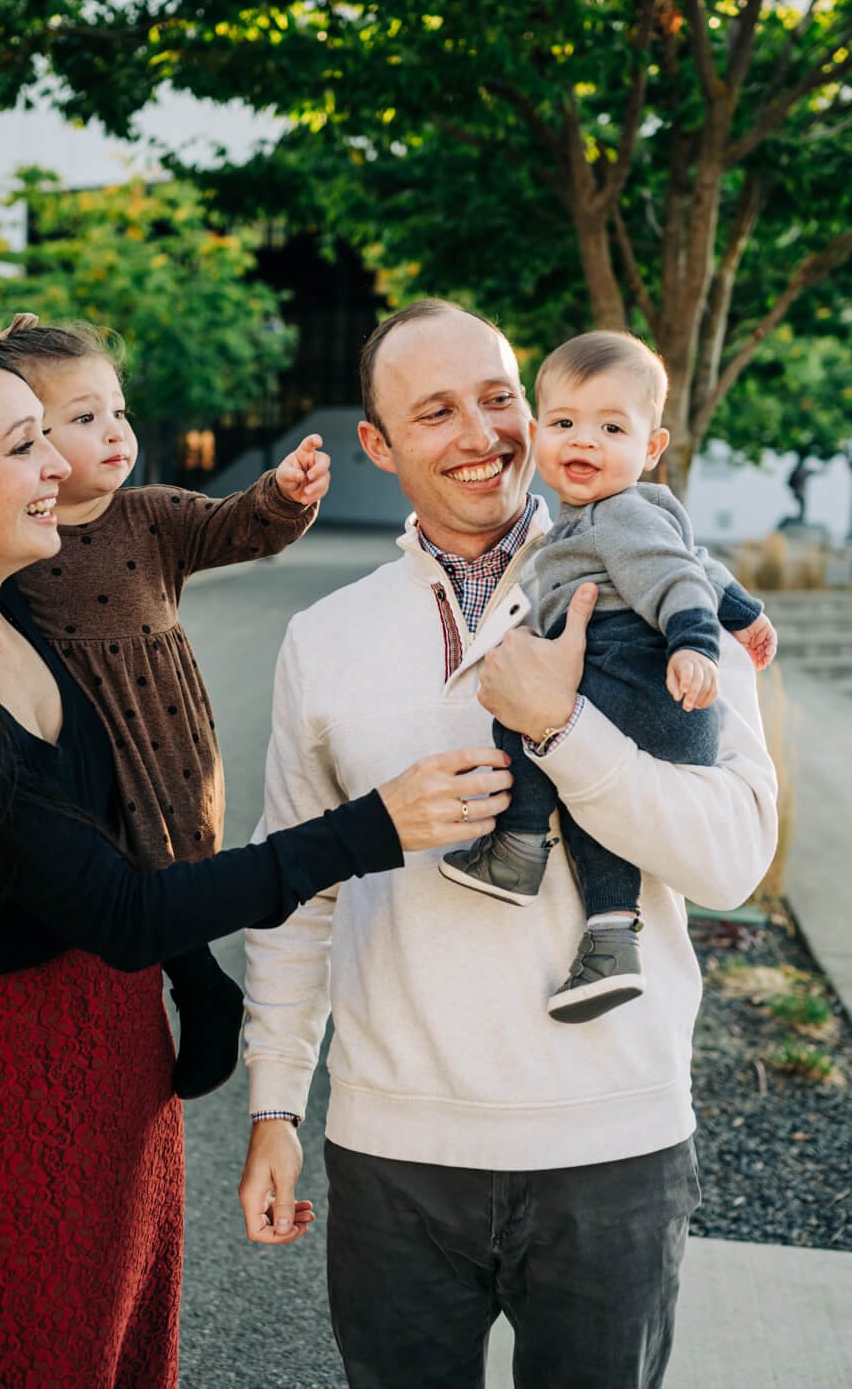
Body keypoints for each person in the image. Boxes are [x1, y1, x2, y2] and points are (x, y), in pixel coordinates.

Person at [0, 336, 513, 1389]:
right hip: (7, 1077)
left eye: (56, 435)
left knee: (115, 1334)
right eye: (26, 444)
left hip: (117, 1043)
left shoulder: (17, 614)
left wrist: (196, 983)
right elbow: (120, 905)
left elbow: (127, 839)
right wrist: (371, 827)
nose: (62, 465)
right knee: (19, 1344)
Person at [239, 300, 777, 1389]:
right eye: (436, 411)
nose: (482, 433)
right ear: (379, 446)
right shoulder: (328, 637)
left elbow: (732, 863)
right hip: (396, 1148)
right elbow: (300, 891)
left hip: (612, 1141)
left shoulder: (672, 578)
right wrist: (275, 1102)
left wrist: (564, 731)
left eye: (499, 398)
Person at [0, 306, 328, 1097]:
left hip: (159, 727)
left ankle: (199, 984)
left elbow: (236, 528)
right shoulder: (9, 536)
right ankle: (183, 983)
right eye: (84, 417)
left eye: (119, 412)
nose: (115, 432)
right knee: (95, 864)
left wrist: (282, 493)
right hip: (75, 737)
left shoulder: (152, 515)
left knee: (168, 854)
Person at [440, 330, 778, 1022]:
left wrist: (696, 644)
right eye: (564, 423)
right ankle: (609, 939)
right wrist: (743, 612)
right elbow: (695, 560)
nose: (583, 441)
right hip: (652, 703)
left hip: (645, 682)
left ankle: (518, 846)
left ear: (650, 448)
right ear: (536, 435)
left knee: (521, 704)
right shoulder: (614, 519)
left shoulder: (618, 511)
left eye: (611, 427)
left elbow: (676, 577)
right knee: (597, 806)